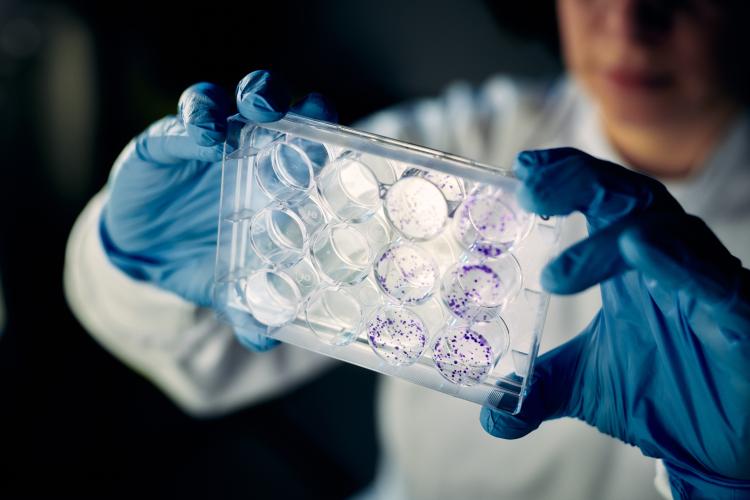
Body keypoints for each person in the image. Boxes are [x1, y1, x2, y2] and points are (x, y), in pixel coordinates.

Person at [64, 0, 750, 498]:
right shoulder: (469, 140)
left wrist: (727, 484)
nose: (629, 22)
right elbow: (206, 365)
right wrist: (133, 264)